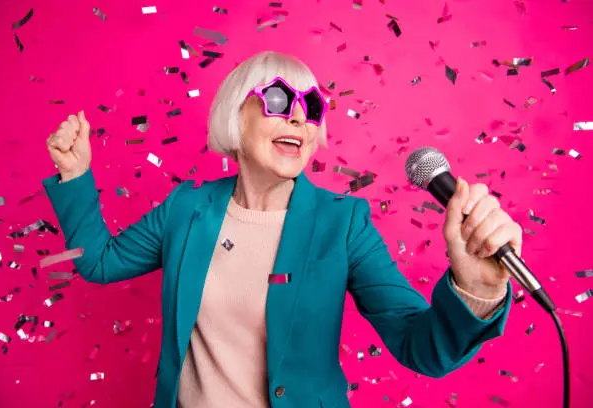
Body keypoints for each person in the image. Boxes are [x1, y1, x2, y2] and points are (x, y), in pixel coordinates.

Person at [43, 51, 521, 408]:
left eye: (310, 106)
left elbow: (423, 349)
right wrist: (76, 176)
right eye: (277, 99)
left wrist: (474, 292)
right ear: (236, 115)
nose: (298, 115)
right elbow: (99, 263)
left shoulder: (343, 223)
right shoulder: (186, 208)